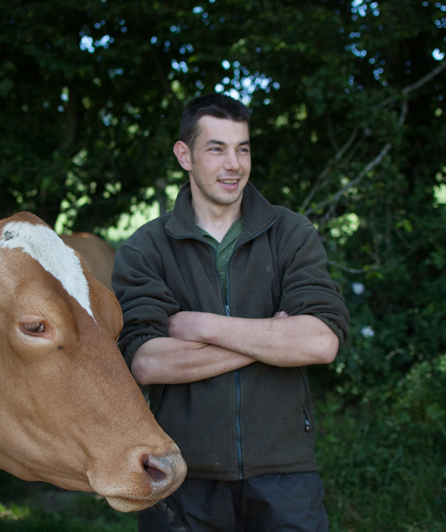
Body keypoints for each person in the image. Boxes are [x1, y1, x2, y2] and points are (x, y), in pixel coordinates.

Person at [111, 93, 350, 531]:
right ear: (185, 155)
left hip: (285, 472)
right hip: (182, 475)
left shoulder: (291, 234)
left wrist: (198, 324)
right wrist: (273, 340)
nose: (234, 164)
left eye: (242, 148)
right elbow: (145, 361)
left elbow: (320, 341)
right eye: (216, 148)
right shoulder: (146, 249)